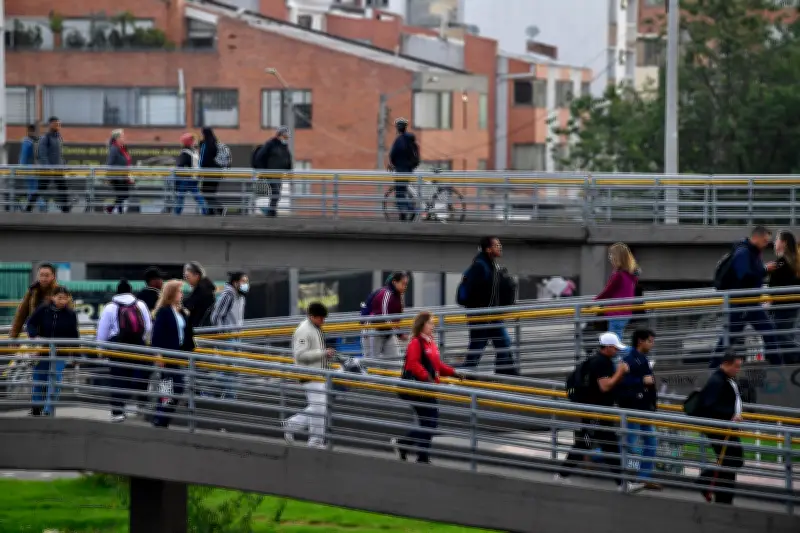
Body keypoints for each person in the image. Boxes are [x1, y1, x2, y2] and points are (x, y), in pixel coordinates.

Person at [556, 332, 629, 491]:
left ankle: (562, 475)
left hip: (595, 410)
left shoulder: (595, 360)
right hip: (597, 412)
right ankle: (622, 482)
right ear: (608, 347)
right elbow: (605, 386)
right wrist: (620, 371)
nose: (617, 351)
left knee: (589, 443)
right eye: (615, 348)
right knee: (607, 444)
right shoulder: (602, 363)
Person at [391, 311, 463, 464]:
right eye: (430, 322)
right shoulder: (416, 342)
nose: (433, 325)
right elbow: (413, 364)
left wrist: (453, 373)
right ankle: (417, 453)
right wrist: (427, 378)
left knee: (429, 423)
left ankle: (407, 447)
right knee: (430, 423)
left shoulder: (430, 342)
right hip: (418, 389)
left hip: (428, 389)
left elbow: (437, 365)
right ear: (422, 325)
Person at [712, 226, 780, 366]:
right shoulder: (743, 252)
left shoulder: (752, 252)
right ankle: (712, 368)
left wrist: (763, 270)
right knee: (729, 338)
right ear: (756, 237)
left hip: (750, 303)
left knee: (768, 333)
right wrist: (765, 269)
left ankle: (778, 365)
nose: (766, 244)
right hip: (742, 303)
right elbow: (744, 276)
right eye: (765, 241)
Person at [96, 279, 153, 422]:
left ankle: (118, 411)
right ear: (131, 291)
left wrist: (100, 350)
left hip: (117, 347)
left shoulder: (110, 307)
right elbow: (148, 327)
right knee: (140, 373)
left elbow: (102, 331)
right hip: (138, 345)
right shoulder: (140, 304)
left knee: (118, 378)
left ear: (117, 292)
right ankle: (142, 405)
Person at [460, 237, 518, 375]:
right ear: (488, 249)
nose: (500, 247)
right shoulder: (480, 266)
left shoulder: (491, 265)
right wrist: (482, 312)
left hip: (492, 317)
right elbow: (475, 293)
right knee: (477, 349)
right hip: (482, 318)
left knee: (504, 344)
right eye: (496, 245)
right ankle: (465, 376)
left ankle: (504, 375)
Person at [696, 351, 745, 505]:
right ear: (725, 364)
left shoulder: (725, 379)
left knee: (730, 461)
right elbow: (709, 406)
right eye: (736, 366)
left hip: (727, 428)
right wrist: (731, 416)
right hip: (721, 429)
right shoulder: (717, 381)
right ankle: (706, 480)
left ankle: (724, 496)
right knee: (732, 460)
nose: (738, 370)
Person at [284, 302, 334, 448]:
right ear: (312, 316)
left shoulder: (314, 328)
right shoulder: (304, 330)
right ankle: (314, 441)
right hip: (309, 374)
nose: (323, 321)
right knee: (319, 408)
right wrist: (323, 353)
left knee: (319, 407)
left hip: (317, 373)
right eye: (321, 318)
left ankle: (293, 425)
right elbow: (300, 354)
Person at [25, 287, 79, 417]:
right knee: (39, 379)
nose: (62, 301)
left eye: (65, 298)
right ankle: (36, 408)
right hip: (43, 351)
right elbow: (30, 324)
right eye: (59, 297)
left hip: (61, 353)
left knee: (55, 380)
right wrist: (35, 336)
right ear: (53, 297)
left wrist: (75, 354)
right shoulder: (44, 310)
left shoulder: (70, 314)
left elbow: (74, 335)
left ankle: (48, 409)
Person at [618, 329, 660, 492]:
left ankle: (643, 478)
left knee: (651, 443)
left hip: (644, 409)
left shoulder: (642, 359)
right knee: (629, 444)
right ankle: (594, 456)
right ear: (640, 341)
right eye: (650, 340)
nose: (652, 343)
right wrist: (641, 380)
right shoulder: (629, 359)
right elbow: (621, 380)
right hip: (634, 408)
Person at [151, 280, 196, 428]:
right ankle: (162, 416)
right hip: (168, 354)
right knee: (175, 386)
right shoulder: (164, 311)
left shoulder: (180, 311)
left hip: (179, 354)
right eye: (179, 291)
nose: (181, 294)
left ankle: (160, 417)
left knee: (167, 387)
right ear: (171, 293)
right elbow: (156, 335)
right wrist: (158, 355)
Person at [595, 242, 639, 350]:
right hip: (625, 312)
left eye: (611, 255)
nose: (609, 257)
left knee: (614, 346)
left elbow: (608, 291)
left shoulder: (618, 275)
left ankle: (639, 359)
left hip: (616, 312)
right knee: (615, 344)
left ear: (617, 257)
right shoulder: (630, 274)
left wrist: (594, 302)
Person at [768, 230, 800, 364]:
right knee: (786, 335)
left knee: (778, 335)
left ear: (784, 243)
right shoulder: (795, 261)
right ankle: (790, 363)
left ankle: (794, 358)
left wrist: (770, 302)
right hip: (792, 305)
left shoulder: (781, 263)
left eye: (777, 240)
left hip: (782, 307)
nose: (775, 243)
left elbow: (775, 287)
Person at [27, 116, 69, 213]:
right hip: (47, 170)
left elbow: (58, 155)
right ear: (50, 125)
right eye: (55, 124)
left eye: (59, 124)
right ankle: (29, 207)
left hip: (58, 170)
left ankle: (65, 209)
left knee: (63, 188)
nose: (58, 126)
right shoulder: (45, 138)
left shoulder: (58, 138)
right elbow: (42, 154)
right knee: (41, 188)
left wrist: (63, 165)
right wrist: (49, 168)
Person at [364, 272, 409, 360]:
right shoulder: (387, 293)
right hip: (373, 329)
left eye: (406, 284)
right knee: (372, 363)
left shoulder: (398, 297)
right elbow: (384, 315)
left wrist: (398, 332)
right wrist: (400, 334)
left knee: (395, 360)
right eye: (403, 283)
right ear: (395, 282)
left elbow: (396, 318)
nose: (405, 287)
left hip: (387, 331)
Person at [10, 263, 60, 340]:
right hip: (35, 337)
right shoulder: (32, 291)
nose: (43, 278)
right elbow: (21, 314)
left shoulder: (60, 292)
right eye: (41, 275)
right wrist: (14, 336)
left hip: (55, 337)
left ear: (53, 276)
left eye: (47, 275)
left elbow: (69, 315)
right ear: (38, 276)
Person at [253, 126, 293, 217]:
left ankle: (271, 211)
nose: (286, 139)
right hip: (270, 173)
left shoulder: (284, 147)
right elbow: (260, 156)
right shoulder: (270, 144)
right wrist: (263, 171)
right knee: (276, 192)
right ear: (280, 135)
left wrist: (289, 173)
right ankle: (271, 212)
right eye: (285, 136)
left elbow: (287, 160)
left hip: (279, 174)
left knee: (277, 193)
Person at [388, 117, 420, 222]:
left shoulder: (399, 140)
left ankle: (411, 210)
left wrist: (392, 164)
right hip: (409, 169)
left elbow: (393, 155)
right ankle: (404, 214)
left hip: (401, 170)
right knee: (404, 190)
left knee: (400, 193)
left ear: (398, 128)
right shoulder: (411, 140)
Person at [174, 132, 206, 215]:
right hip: (194, 178)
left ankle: (176, 214)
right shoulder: (194, 152)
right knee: (198, 196)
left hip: (186, 179)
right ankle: (205, 211)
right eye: (192, 140)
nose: (194, 141)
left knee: (180, 198)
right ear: (189, 142)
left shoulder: (185, 153)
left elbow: (179, 166)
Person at [198, 128, 225, 216]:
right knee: (211, 193)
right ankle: (211, 211)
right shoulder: (215, 143)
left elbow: (202, 160)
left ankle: (218, 208)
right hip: (217, 171)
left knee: (205, 192)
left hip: (208, 172)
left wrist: (199, 171)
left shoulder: (205, 144)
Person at [18, 124, 45, 212]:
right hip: (35, 169)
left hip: (28, 169)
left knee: (31, 189)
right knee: (34, 189)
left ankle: (39, 206)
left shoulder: (27, 142)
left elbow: (23, 157)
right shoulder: (36, 141)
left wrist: (20, 168)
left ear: (29, 131)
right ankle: (40, 206)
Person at [105, 129, 132, 214]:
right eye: (122, 136)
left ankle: (117, 211)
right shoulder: (114, 148)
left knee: (122, 195)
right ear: (117, 138)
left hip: (123, 176)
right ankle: (111, 209)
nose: (124, 138)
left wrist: (128, 175)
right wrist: (108, 177)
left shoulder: (123, 148)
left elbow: (126, 161)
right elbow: (110, 163)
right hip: (116, 177)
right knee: (122, 195)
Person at [182, 262, 216, 328]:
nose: (186, 280)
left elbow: (190, 305)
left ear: (196, 275)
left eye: (188, 277)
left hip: (200, 327)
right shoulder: (206, 287)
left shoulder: (201, 290)